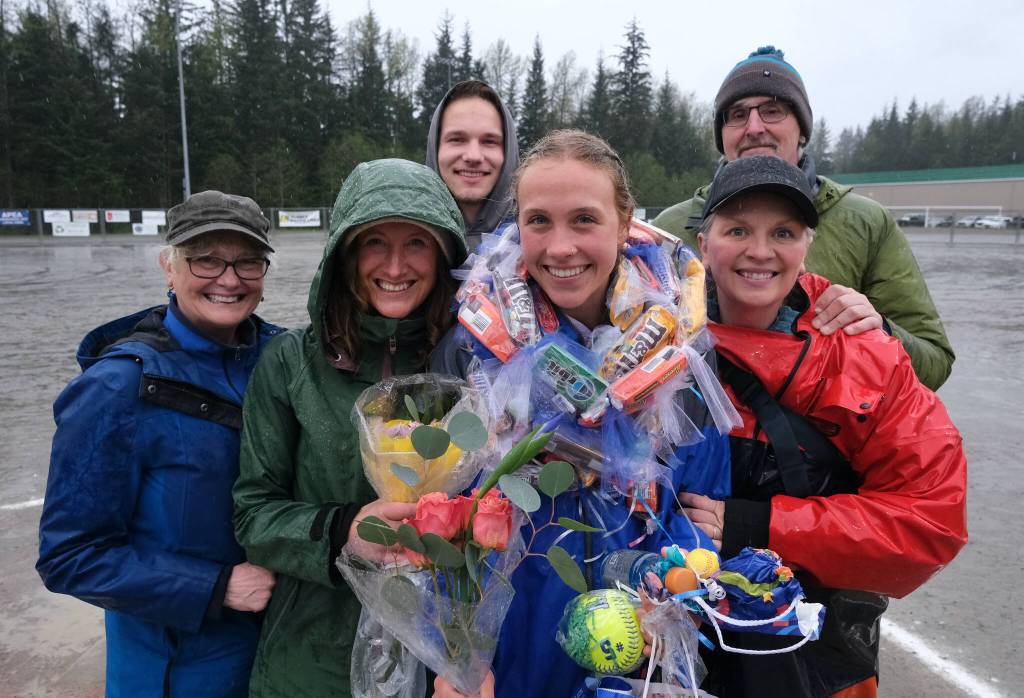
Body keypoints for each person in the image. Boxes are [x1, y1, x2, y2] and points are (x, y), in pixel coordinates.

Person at [431, 130, 727, 698]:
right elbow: (447, 517)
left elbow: (700, 504)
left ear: (624, 223)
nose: (560, 247)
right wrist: (457, 657)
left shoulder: (680, 348)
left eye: (584, 220)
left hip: (633, 650)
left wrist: (674, 596)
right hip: (507, 653)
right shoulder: (473, 341)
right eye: (539, 221)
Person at [678, 155, 967, 697]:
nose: (760, 251)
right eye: (737, 229)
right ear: (702, 244)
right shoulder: (652, 343)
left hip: (811, 661)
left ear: (806, 245)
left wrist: (758, 527)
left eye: (782, 232)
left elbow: (930, 521)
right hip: (668, 649)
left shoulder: (866, 356)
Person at [231, 158, 469, 697]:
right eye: (373, 243)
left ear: (445, 254)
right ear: (342, 254)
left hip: (443, 662)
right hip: (312, 659)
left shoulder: (470, 363)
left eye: (417, 243)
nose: (395, 264)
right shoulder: (290, 365)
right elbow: (252, 513)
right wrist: (343, 533)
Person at [36, 191, 282, 697]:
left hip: (273, 655)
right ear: (169, 266)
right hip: (173, 672)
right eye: (206, 259)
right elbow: (69, 556)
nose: (229, 278)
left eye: (247, 261)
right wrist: (214, 587)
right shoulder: (114, 388)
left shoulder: (282, 360)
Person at [653, 46, 955, 391]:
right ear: (722, 136)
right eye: (737, 114)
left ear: (802, 129)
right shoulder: (671, 228)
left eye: (773, 110)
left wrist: (880, 332)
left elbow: (934, 365)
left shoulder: (866, 221)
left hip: (820, 438)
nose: (753, 127)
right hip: (699, 438)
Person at [426, 79, 520, 248]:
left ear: (508, 150)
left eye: (489, 141)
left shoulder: (538, 242)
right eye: (457, 139)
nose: (473, 156)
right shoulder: (408, 238)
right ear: (435, 147)